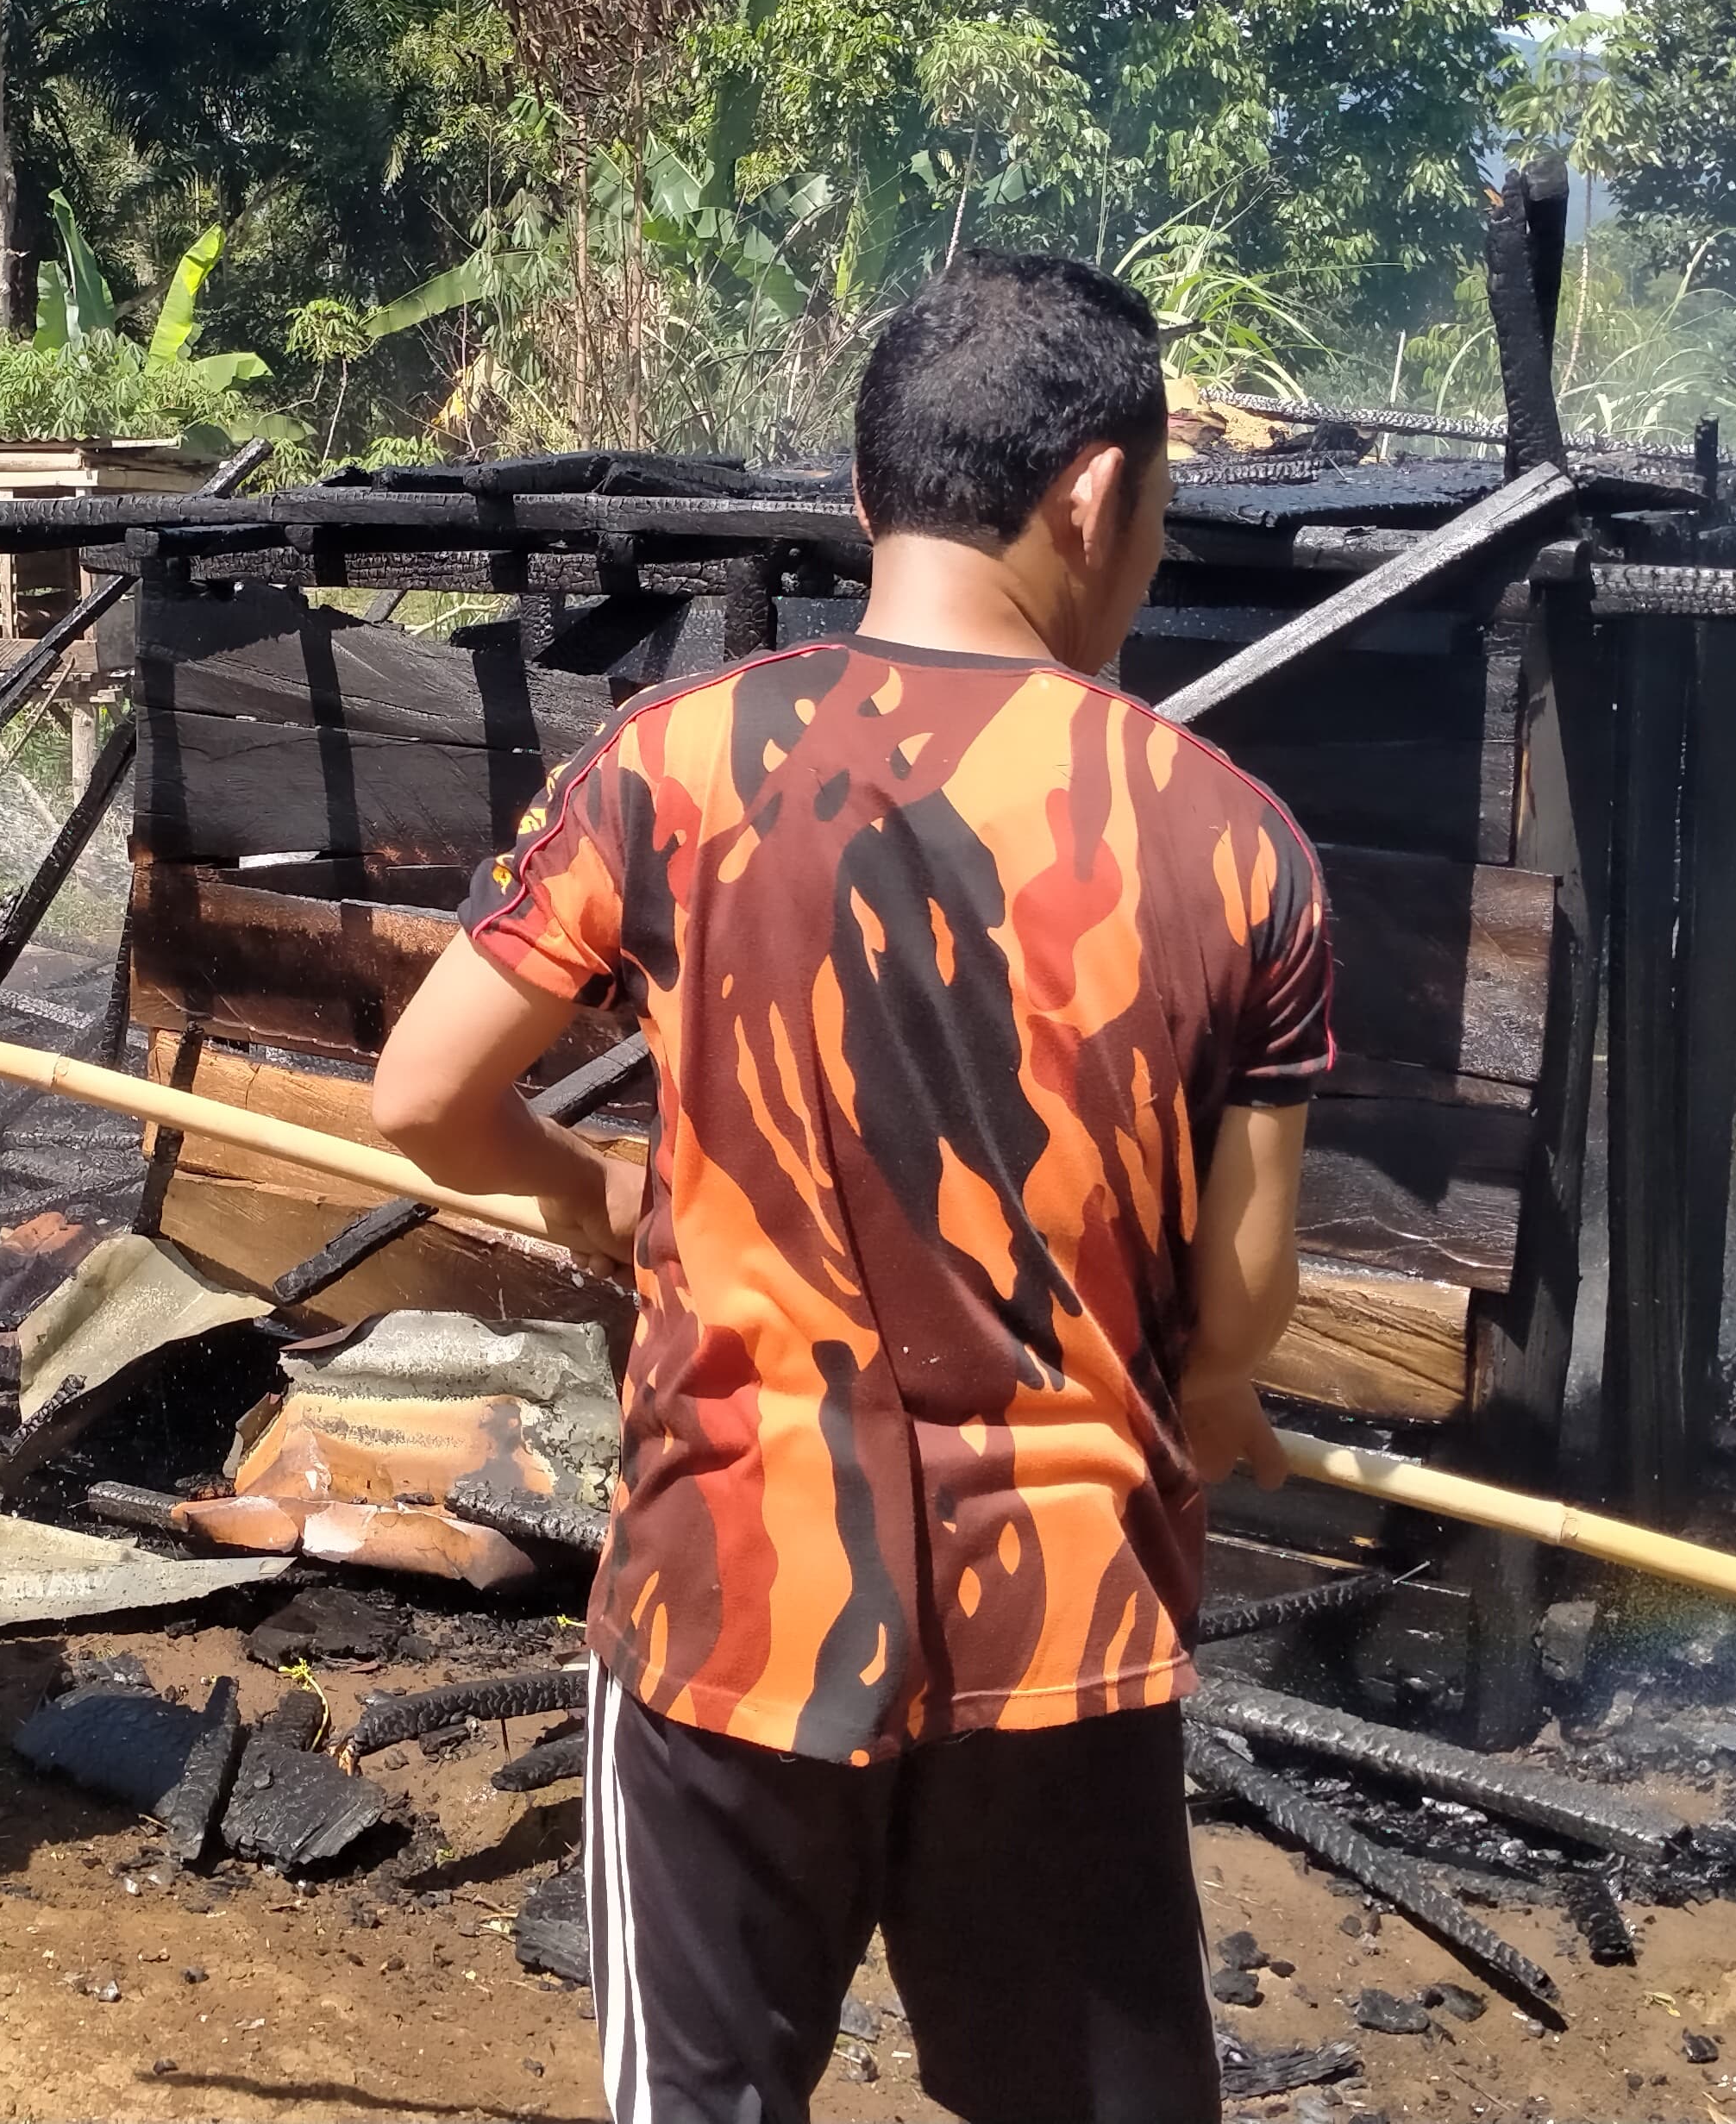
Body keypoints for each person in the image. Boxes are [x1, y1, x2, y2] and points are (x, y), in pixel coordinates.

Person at [369, 248, 1332, 2124]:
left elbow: (422, 1096)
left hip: (737, 1603)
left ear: (869, 501)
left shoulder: (670, 766)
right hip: (1062, 1632)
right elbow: (1241, 1300)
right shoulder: (1232, 840)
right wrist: (1216, 1397)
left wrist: (581, 1190)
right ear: (1093, 498)